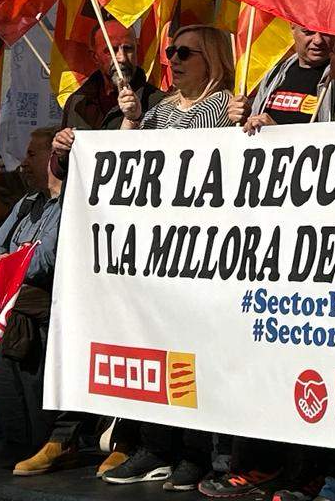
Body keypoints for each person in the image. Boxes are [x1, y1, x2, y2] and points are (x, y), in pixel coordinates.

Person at [103, 26, 234, 490]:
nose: (173, 60)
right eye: (170, 52)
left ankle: (196, 453)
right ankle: (155, 445)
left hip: (201, 252)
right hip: (156, 253)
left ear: (213, 59)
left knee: (196, 356)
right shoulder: (157, 110)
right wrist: (132, 121)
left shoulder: (223, 107)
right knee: (157, 349)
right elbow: (126, 168)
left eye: (185, 53)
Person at [0, 128, 63, 470]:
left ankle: (42, 446)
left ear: (55, 157)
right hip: (5, 310)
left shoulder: (72, 204)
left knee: (35, 393)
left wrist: (3, 265)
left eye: (32, 155)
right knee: (5, 387)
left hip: (41, 317)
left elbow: (44, 259)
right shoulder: (25, 204)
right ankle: (16, 443)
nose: (24, 164)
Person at [227, 25, 334, 130]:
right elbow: (253, 127)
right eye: (308, 32)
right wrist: (244, 119)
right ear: (292, 27)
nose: (318, 40)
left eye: (326, 32)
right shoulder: (275, 74)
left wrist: (278, 133)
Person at [63, 20, 160, 130]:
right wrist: (61, 144)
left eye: (128, 48)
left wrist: (136, 119)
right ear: (95, 57)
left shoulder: (159, 102)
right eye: (112, 50)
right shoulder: (78, 103)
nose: (122, 58)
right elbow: (68, 144)